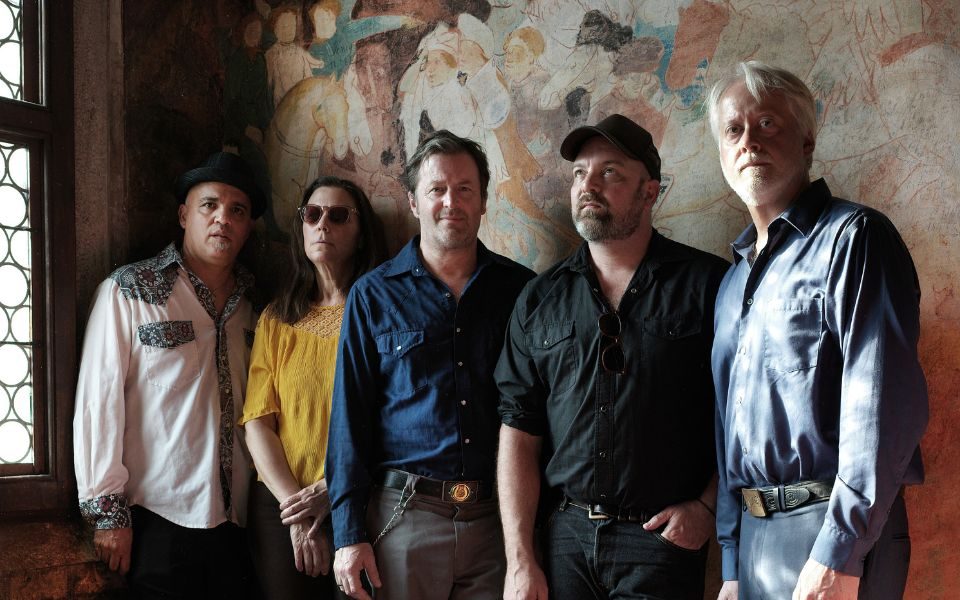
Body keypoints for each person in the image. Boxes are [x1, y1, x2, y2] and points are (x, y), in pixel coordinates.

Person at [705, 61, 929, 600]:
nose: (749, 143)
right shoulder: (732, 282)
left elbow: (882, 408)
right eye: (733, 130)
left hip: (834, 533)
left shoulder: (855, 240)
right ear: (720, 154)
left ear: (807, 142)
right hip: (756, 538)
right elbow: (725, 427)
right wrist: (733, 563)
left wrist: (839, 554)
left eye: (768, 125)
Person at [496, 113, 729, 600]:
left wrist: (708, 508)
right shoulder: (539, 300)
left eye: (610, 173)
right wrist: (521, 560)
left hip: (661, 540)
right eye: (580, 172)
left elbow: (742, 414)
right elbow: (519, 431)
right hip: (565, 540)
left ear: (650, 192)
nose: (589, 185)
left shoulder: (708, 286)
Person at [326, 130, 536, 600]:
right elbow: (349, 421)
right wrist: (347, 534)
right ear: (414, 202)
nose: (451, 202)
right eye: (436, 189)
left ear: (483, 201)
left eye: (465, 189)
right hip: (403, 517)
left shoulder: (522, 292)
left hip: (496, 524)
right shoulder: (372, 295)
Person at [73, 151, 266, 596]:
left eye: (238, 210)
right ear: (184, 214)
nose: (223, 219)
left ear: (249, 226)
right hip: (156, 520)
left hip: (236, 524)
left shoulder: (259, 308)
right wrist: (109, 515)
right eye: (210, 205)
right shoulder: (130, 290)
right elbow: (98, 403)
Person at [241, 176, 386, 599]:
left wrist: (334, 489)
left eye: (338, 215)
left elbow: (394, 418)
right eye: (312, 214)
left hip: (361, 498)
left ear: (361, 235)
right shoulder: (277, 318)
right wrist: (297, 512)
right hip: (281, 504)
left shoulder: (381, 313)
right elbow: (257, 422)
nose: (322, 224)